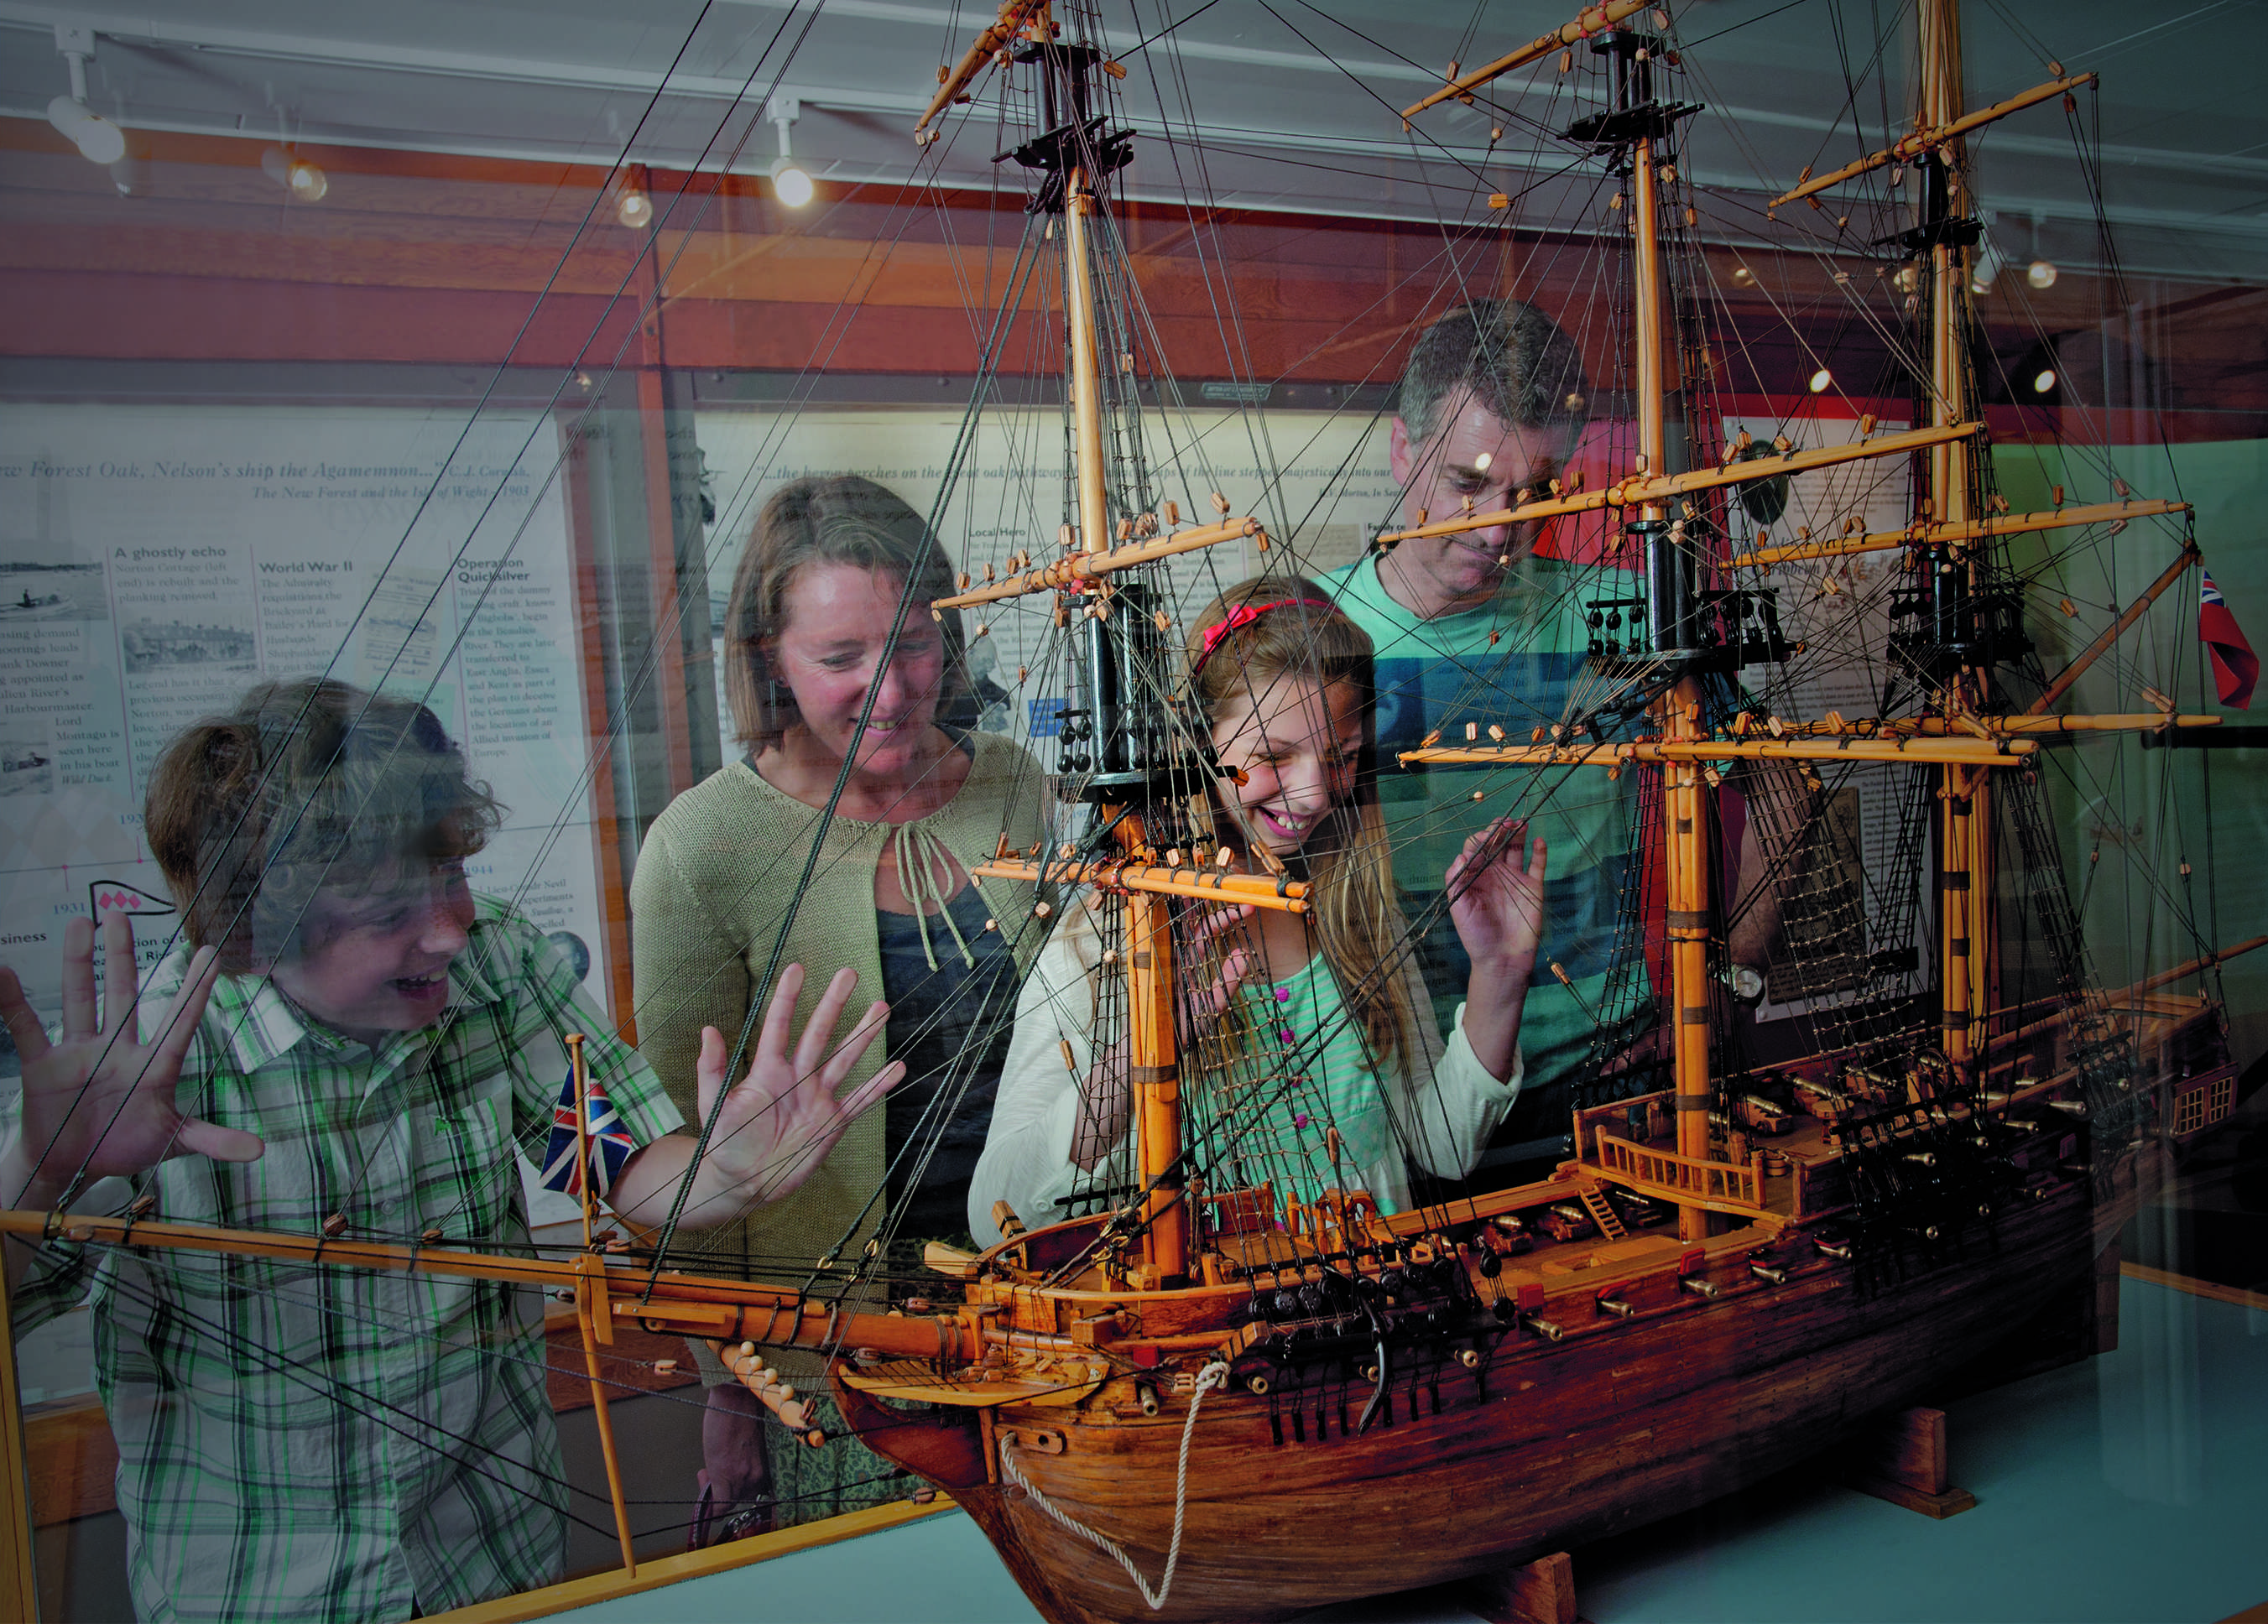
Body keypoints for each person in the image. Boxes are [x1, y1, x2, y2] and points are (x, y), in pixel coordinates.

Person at [0, 679, 896, 1623]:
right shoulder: (145, 1067)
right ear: (253, 938)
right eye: (391, 913)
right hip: (257, 1597)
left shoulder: (491, 969)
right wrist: (45, 1168)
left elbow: (616, 1167)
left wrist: (719, 1172)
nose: (450, 925)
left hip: (494, 1572)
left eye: (452, 874)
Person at [629, 475, 1052, 1540]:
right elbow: (680, 1157)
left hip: (1043, 1318)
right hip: (840, 1366)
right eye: (839, 658)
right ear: (768, 660)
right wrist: (729, 1397)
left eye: (912, 644)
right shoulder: (702, 846)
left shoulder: (1015, 787)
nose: (890, 689)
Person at [973, 578, 1542, 1240]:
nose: (1314, 795)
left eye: (1342, 758)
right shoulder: (1094, 943)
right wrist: (1136, 1057)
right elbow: (995, 1220)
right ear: (1199, 747)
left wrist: (1498, 977)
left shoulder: (1350, 911)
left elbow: (1441, 1149)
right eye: (1273, 756)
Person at [1320, 298, 1634, 1171]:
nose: (1501, 528)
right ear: (1399, 452)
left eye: (1532, 492)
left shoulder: (1618, 614)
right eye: (1468, 483)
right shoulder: (1309, 632)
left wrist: (1731, 981)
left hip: (1615, 1070)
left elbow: (1775, 776)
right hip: (1410, 1095)